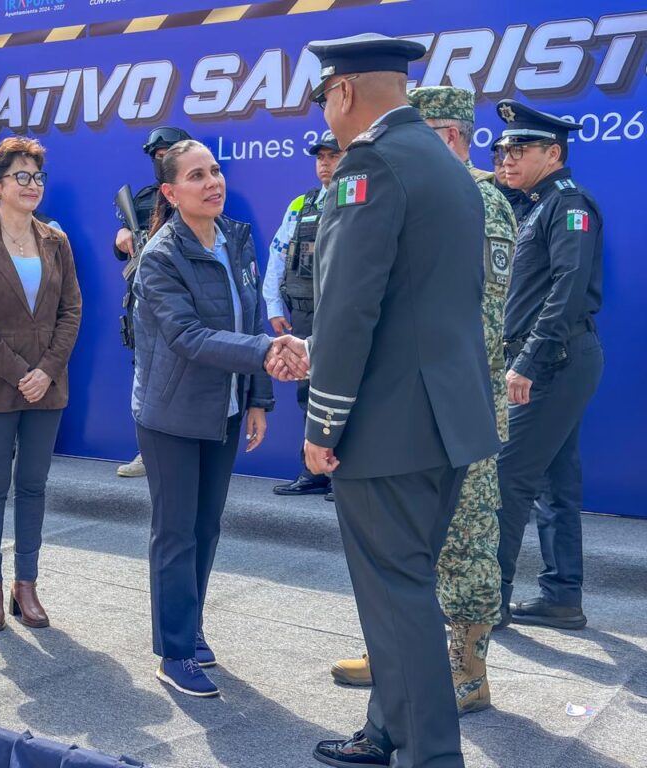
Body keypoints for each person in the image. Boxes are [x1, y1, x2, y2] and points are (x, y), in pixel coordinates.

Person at [299, 34, 499, 767]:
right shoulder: (446, 167)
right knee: (401, 588)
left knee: (398, 597)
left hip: (389, 427)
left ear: (344, 91)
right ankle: (386, 731)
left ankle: (429, 756)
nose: (327, 112)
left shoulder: (369, 167)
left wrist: (323, 421)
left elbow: (350, 310)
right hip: (444, 419)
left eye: (325, 97)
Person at [330, 86, 517, 716]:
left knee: (465, 539)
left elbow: (479, 317)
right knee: (409, 550)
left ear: (454, 135)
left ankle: (464, 666)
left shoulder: (480, 200)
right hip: (422, 400)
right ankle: (402, 663)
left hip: (462, 400)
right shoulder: (427, 192)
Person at [133, 139, 306, 698]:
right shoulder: (160, 256)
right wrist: (263, 353)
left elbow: (253, 312)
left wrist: (258, 397)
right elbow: (187, 336)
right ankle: (173, 650)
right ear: (170, 192)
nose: (212, 182)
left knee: (205, 527)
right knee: (176, 532)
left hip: (226, 408)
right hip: (172, 414)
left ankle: (191, 625)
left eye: (215, 171)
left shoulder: (235, 237)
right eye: (196, 176)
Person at [0, 137, 82, 632]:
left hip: (47, 387)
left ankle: (24, 585)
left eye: (37, 177)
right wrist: (18, 373)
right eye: (21, 177)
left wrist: (46, 371)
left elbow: (72, 311)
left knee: (32, 486)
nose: (32, 186)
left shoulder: (56, 240)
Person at [493, 100, 604, 631]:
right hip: (547, 358)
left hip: (554, 359)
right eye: (502, 148)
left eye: (520, 148)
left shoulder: (568, 203)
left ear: (553, 153)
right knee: (555, 480)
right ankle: (562, 596)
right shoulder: (528, 204)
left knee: (508, 477)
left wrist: (529, 361)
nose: (506, 157)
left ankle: (485, 604)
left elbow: (568, 285)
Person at [264, 130, 342, 497]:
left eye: (333, 156)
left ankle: (346, 476)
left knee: (348, 391)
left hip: (346, 315)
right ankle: (314, 472)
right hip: (307, 315)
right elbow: (278, 254)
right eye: (320, 157)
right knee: (309, 393)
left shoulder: (366, 200)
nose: (325, 164)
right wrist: (274, 306)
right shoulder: (301, 205)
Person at [115, 125, 192, 478]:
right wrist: (121, 238)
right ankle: (147, 454)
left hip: (185, 302)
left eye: (168, 157)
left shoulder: (198, 192)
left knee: (186, 375)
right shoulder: (144, 198)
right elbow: (121, 253)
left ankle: (183, 453)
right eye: (157, 158)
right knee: (144, 377)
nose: (162, 163)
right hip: (143, 300)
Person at [491, 138, 532, 223]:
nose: (505, 163)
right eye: (498, 158)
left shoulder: (535, 201)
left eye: (515, 157)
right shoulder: (482, 195)